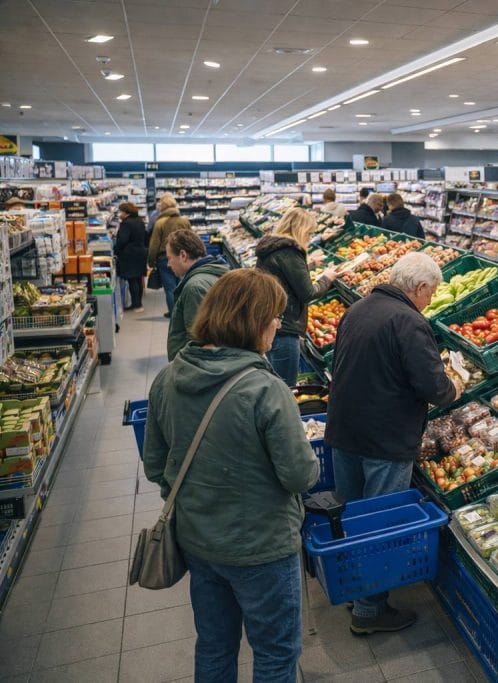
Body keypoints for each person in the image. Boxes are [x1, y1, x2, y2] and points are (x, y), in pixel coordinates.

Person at [143, 268, 319, 683]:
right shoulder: (265, 388)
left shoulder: (167, 379)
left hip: (199, 543)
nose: (279, 323)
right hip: (262, 549)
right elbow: (299, 475)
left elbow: (155, 464)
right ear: (252, 321)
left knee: (214, 646)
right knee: (276, 653)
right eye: (274, 316)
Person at [325, 252, 462, 634]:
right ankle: (369, 611)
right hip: (384, 438)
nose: (430, 301)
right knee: (379, 524)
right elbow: (435, 388)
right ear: (419, 288)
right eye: (431, 293)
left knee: (352, 517)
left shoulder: (359, 308)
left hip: (345, 430)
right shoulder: (409, 321)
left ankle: (355, 589)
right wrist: (456, 387)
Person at [255, 207, 343, 386]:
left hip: (270, 321)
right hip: (285, 326)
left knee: (274, 380)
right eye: (309, 234)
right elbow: (308, 293)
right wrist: (327, 278)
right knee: (286, 387)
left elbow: (283, 275)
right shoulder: (291, 250)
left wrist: (308, 265)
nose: (310, 239)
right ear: (300, 231)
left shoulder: (274, 246)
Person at [166, 230, 230, 361]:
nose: (168, 264)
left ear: (183, 255)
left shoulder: (194, 287)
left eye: (169, 258)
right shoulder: (214, 271)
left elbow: (198, 341)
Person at [148, 195, 187, 317]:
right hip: (183, 257)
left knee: (170, 288)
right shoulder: (184, 221)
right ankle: (183, 312)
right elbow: (191, 239)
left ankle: (174, 314)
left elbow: (154, 244)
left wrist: (151, 261)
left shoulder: (159, 222)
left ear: (162, 208)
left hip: (164, 259)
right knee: (182, 285)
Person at [113, 201, 148, 312]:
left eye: (121, 211)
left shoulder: (126, 223)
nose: (120, 214)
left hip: (130, 254)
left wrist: (116, 250)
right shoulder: (139, 220)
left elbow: (122, 240)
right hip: (140, 252)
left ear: (125, 212)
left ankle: (135, 304)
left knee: (132, 279)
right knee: (138, 278)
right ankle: (139, 303)